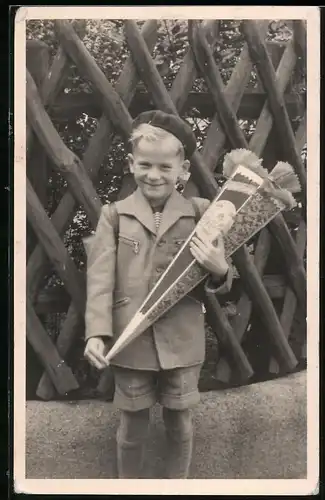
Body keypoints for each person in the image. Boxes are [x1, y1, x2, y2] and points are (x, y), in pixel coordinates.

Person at [84, 110, 233, 479]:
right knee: (132, 428)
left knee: (180, 425)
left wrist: (220, 268)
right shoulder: (114, 215)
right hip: (129, 343)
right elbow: (100, 279)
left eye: (165, 167)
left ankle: (176, 487)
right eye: (145, 164)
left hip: (182, 343)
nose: (154, 175)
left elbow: (222, 280)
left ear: (182, 171)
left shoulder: (201, 213)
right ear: (131, 164)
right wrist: (95, 333)